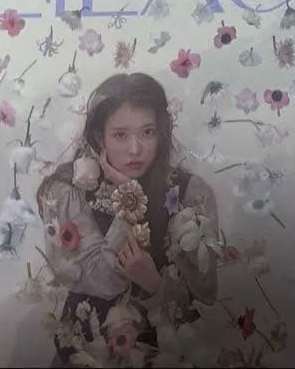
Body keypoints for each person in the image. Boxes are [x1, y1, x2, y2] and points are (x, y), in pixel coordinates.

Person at [35, 73, 219, 366]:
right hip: (85, 355)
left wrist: (154, 283)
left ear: (161, 133)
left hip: (163, 355)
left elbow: (206, 292)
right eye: (120, 135)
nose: (135, 149)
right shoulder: (67, 190)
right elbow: (101, 280)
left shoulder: (189, 193)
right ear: (100, 137)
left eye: (147, 132)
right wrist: (129, 198)